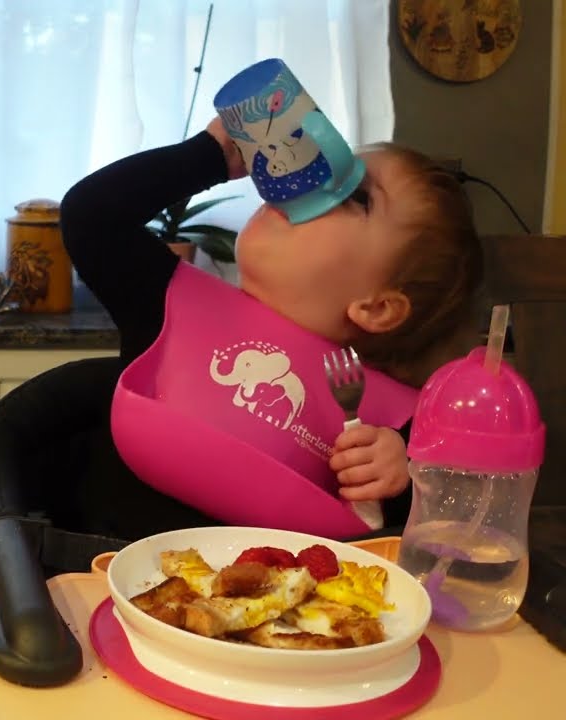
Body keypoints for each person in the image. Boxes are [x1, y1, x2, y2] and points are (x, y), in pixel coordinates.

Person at [57, 118, 482, 538]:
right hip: (105, 571)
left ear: (377, 307)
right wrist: (209, 156)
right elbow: (92, 216)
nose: (311, 184)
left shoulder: (395, 427)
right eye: (329, 167)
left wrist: (402, 476)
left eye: (357, 196)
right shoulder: (164, 299)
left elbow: (448, 524)